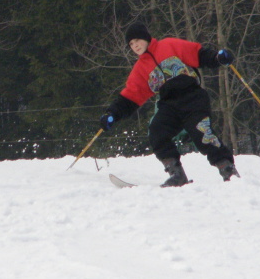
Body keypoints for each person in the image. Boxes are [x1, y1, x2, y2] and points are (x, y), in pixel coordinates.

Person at [100, 22, 239, 187]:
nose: (134, 45)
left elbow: (198, 54)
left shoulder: (169, 45)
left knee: (202, 134)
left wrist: (218, 58)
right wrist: (112, 114)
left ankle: (227, 169)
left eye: (137, 40)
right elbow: (130, 97)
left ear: (146, 38)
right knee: (157, 131)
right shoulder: (140, 69)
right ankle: (176, 174)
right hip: (169, 105)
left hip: (192, 98)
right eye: (131, 44)